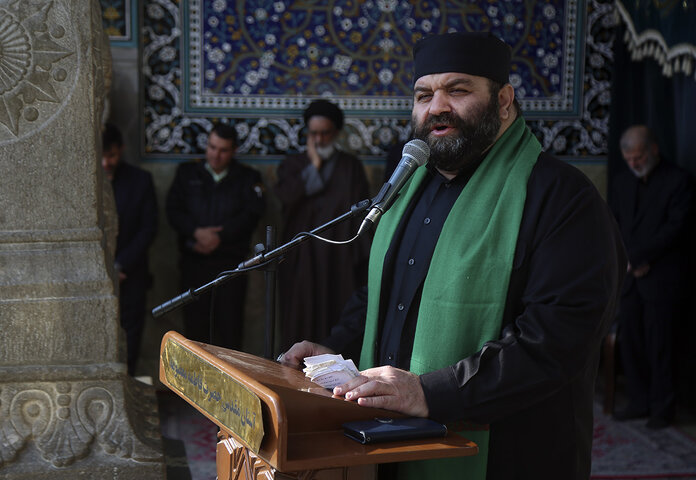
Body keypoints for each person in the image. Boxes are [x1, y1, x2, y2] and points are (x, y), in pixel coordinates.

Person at [279, 32, 626, 480]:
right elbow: (383, 294)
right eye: (424, 95)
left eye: (457, 90)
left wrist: (431, 393)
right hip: (386, 439)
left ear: (503, 100)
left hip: (508, 450)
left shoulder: (561, 198)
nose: (436, 107)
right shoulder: (408, 187)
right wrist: (338, 350)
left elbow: (556, 341)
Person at [609, 125, 693, 429]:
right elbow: (613, 224)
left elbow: (676, 229)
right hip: (632, 277)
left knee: (661, 345)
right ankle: (639, 400)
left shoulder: (679, 181)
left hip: (662, 279)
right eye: (628, 158)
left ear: (654, 150)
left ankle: (662, 408)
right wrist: (630, 261)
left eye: (639, 157)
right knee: (631, 341)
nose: (633, 163)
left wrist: (642, 259)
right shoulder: (621, 182)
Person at [274, 99, 371, 352]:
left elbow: (363, 214)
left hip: (339, 262)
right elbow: (287, 198)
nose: (319, 139)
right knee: (300, 319)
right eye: (313, 133)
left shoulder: (351, 166)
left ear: (336, 133)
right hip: (302, 263)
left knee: (336, 321)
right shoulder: (294, 164)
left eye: (325, 133)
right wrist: (313, 164)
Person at [165, 122, 265, 348]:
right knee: (195, 332)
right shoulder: (187, 173)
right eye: (212, 147)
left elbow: (252, 213)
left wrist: (221, 237)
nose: (216, 155)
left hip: (231, 267)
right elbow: (173, 210)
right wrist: (195, 233)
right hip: (194, 263)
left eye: (223, 150)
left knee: (229, 330)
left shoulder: (247, 178)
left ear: (233, 151)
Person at [101, 123, 158, 376]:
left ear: (121, 150)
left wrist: (121, 265)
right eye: (102, 156)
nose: (106, 163)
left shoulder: (139, 180)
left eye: (111, 155)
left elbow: (148, 228)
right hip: (97, 275)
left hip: (131, 274)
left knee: (131, 337)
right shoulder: (88, 180)